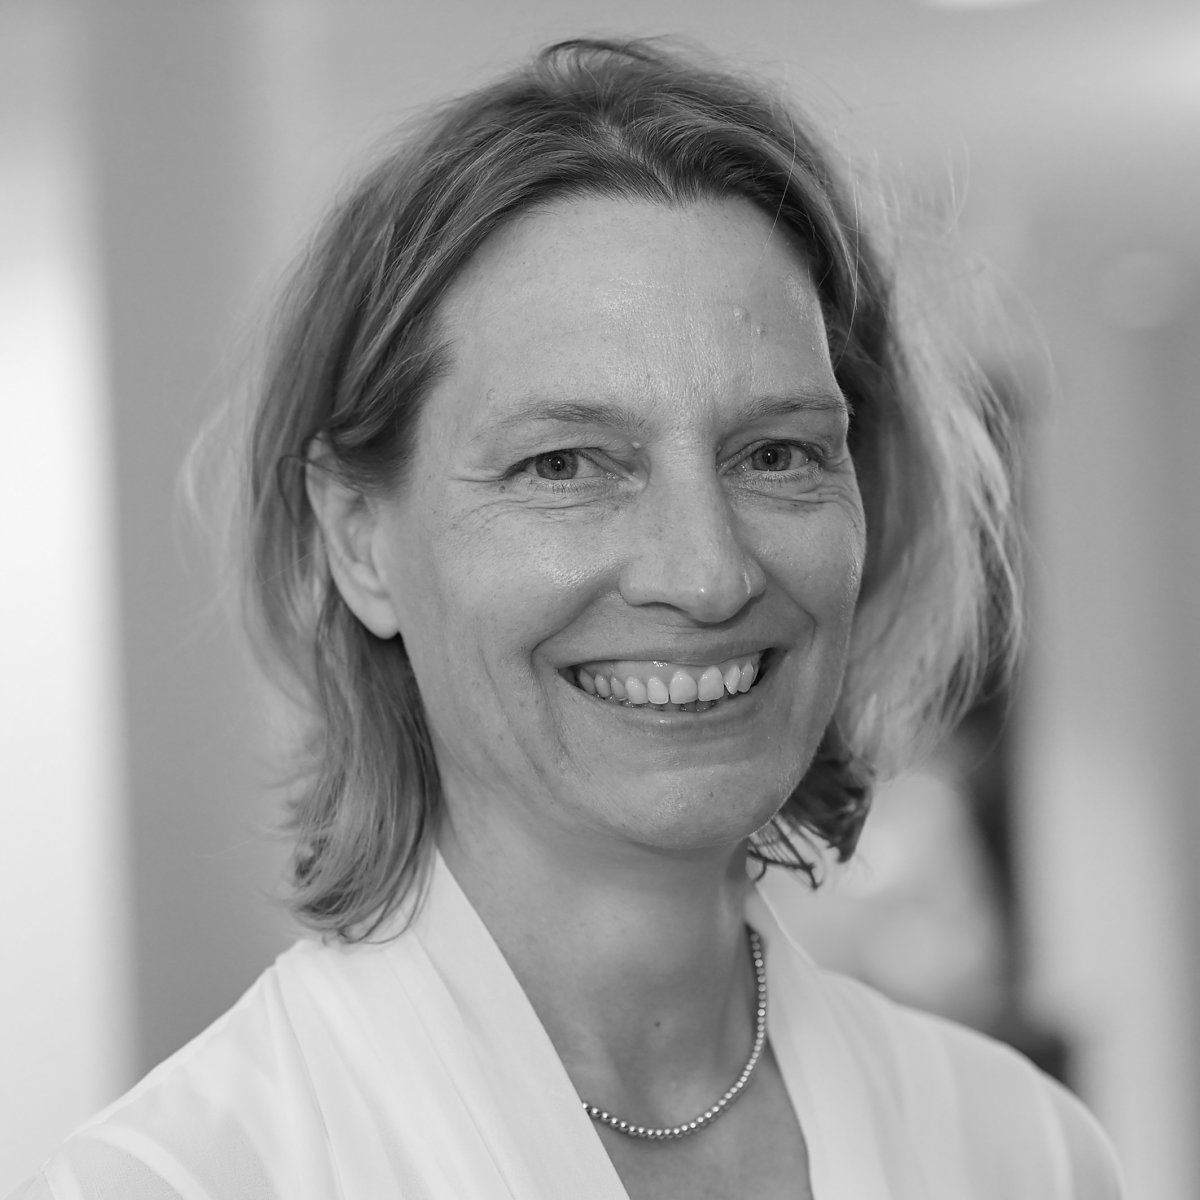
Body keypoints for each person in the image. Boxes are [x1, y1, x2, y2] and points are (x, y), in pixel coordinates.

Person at [13, 37, 1124, 1200]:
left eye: (776, 453)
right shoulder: (184, 1180)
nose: (707, 575)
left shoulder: (1027, 1155)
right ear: (358, 538)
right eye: (563, 464)